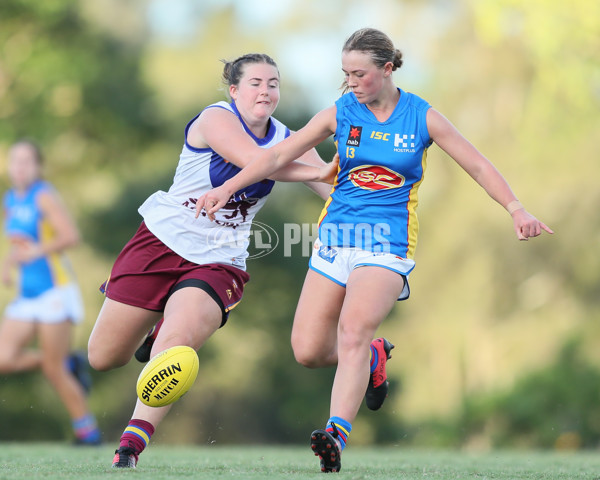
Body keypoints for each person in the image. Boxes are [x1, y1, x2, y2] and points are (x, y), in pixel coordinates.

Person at [196, 28, 554, 473]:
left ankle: (335, 436)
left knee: (352, 330)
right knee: (307, 350)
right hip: (334, 238)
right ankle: (373, 357)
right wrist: (227, 187)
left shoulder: (422, 117)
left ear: (387, 69)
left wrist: (516, 209)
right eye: (346, 74)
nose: (352, 83)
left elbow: (477, 164)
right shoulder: (339, 112)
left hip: (386, 242)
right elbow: (274, 156)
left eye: (360, 74)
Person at [86, 53, 334, 468]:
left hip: (219, 260)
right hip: (159, 243)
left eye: (273, 83)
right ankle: (155, 323)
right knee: (103, 357)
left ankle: (129, 446)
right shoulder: (215, 118)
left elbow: (332, 190)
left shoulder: (288, 138)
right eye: (255, 82)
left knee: (174, 344)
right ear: (234, 90)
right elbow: (258, 163)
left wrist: (370, 200)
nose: (266, 91)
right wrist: (320, 170)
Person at [0, 139, 100, 445]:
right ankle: (68, 361)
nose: (19, 167)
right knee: (4, 359)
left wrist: (37, 252)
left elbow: (71, 236)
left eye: (26, 161)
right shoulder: (9, 200)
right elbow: (18, 244)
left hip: (55, 291)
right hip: (26, 296)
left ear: (38, 167)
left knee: (53, 371)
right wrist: (7, 264)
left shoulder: (43, 196)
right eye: (15, 161)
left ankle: (88, 433)